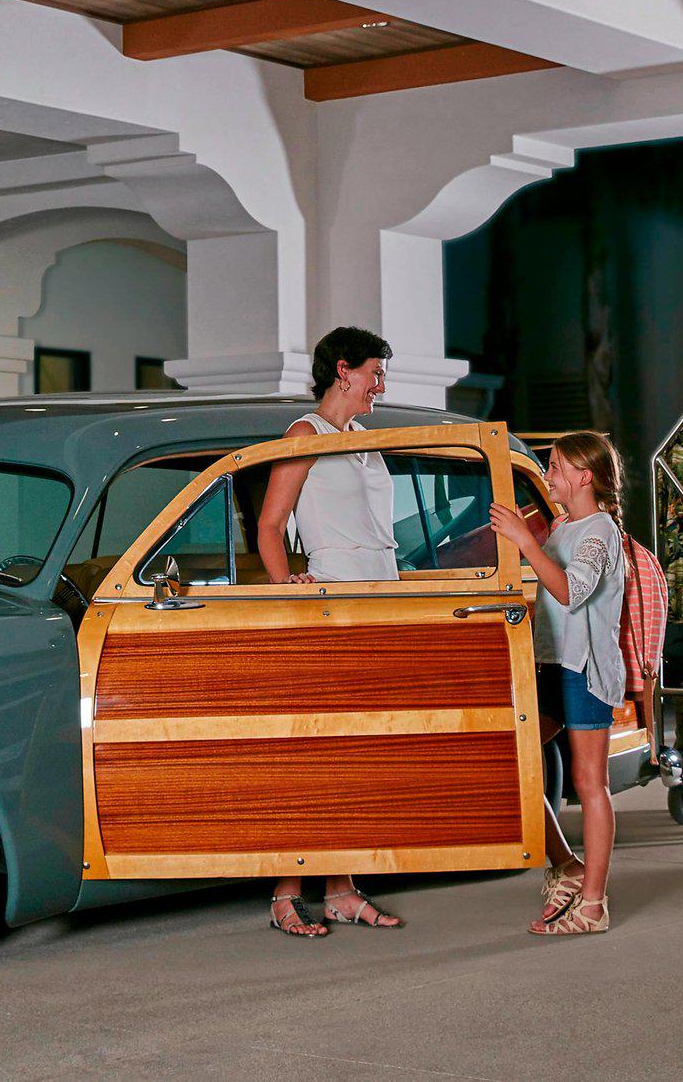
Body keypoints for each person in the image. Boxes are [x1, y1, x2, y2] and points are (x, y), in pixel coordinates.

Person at [252, 325, 402, 938]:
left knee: (359, 756)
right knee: (320, 753)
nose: (380, 384)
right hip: (332, 600)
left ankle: (341, 889)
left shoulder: (364, 437)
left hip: (380, 597)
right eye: (374, 372)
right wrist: (288, 586)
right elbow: (270, 525)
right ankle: (287, 892)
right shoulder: (303, 435)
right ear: (343, 371)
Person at [488, 432, 629, 936]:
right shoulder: (565, 528)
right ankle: (568, 866)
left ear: (584, 476)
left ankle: (593, 905)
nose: (548, 473)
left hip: (585, 668)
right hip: (551, 664)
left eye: (555, 465)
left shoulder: (599, 532)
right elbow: (546, 584)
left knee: (591, 784)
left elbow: (571, 591)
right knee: (514, 761)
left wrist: (525, 541)